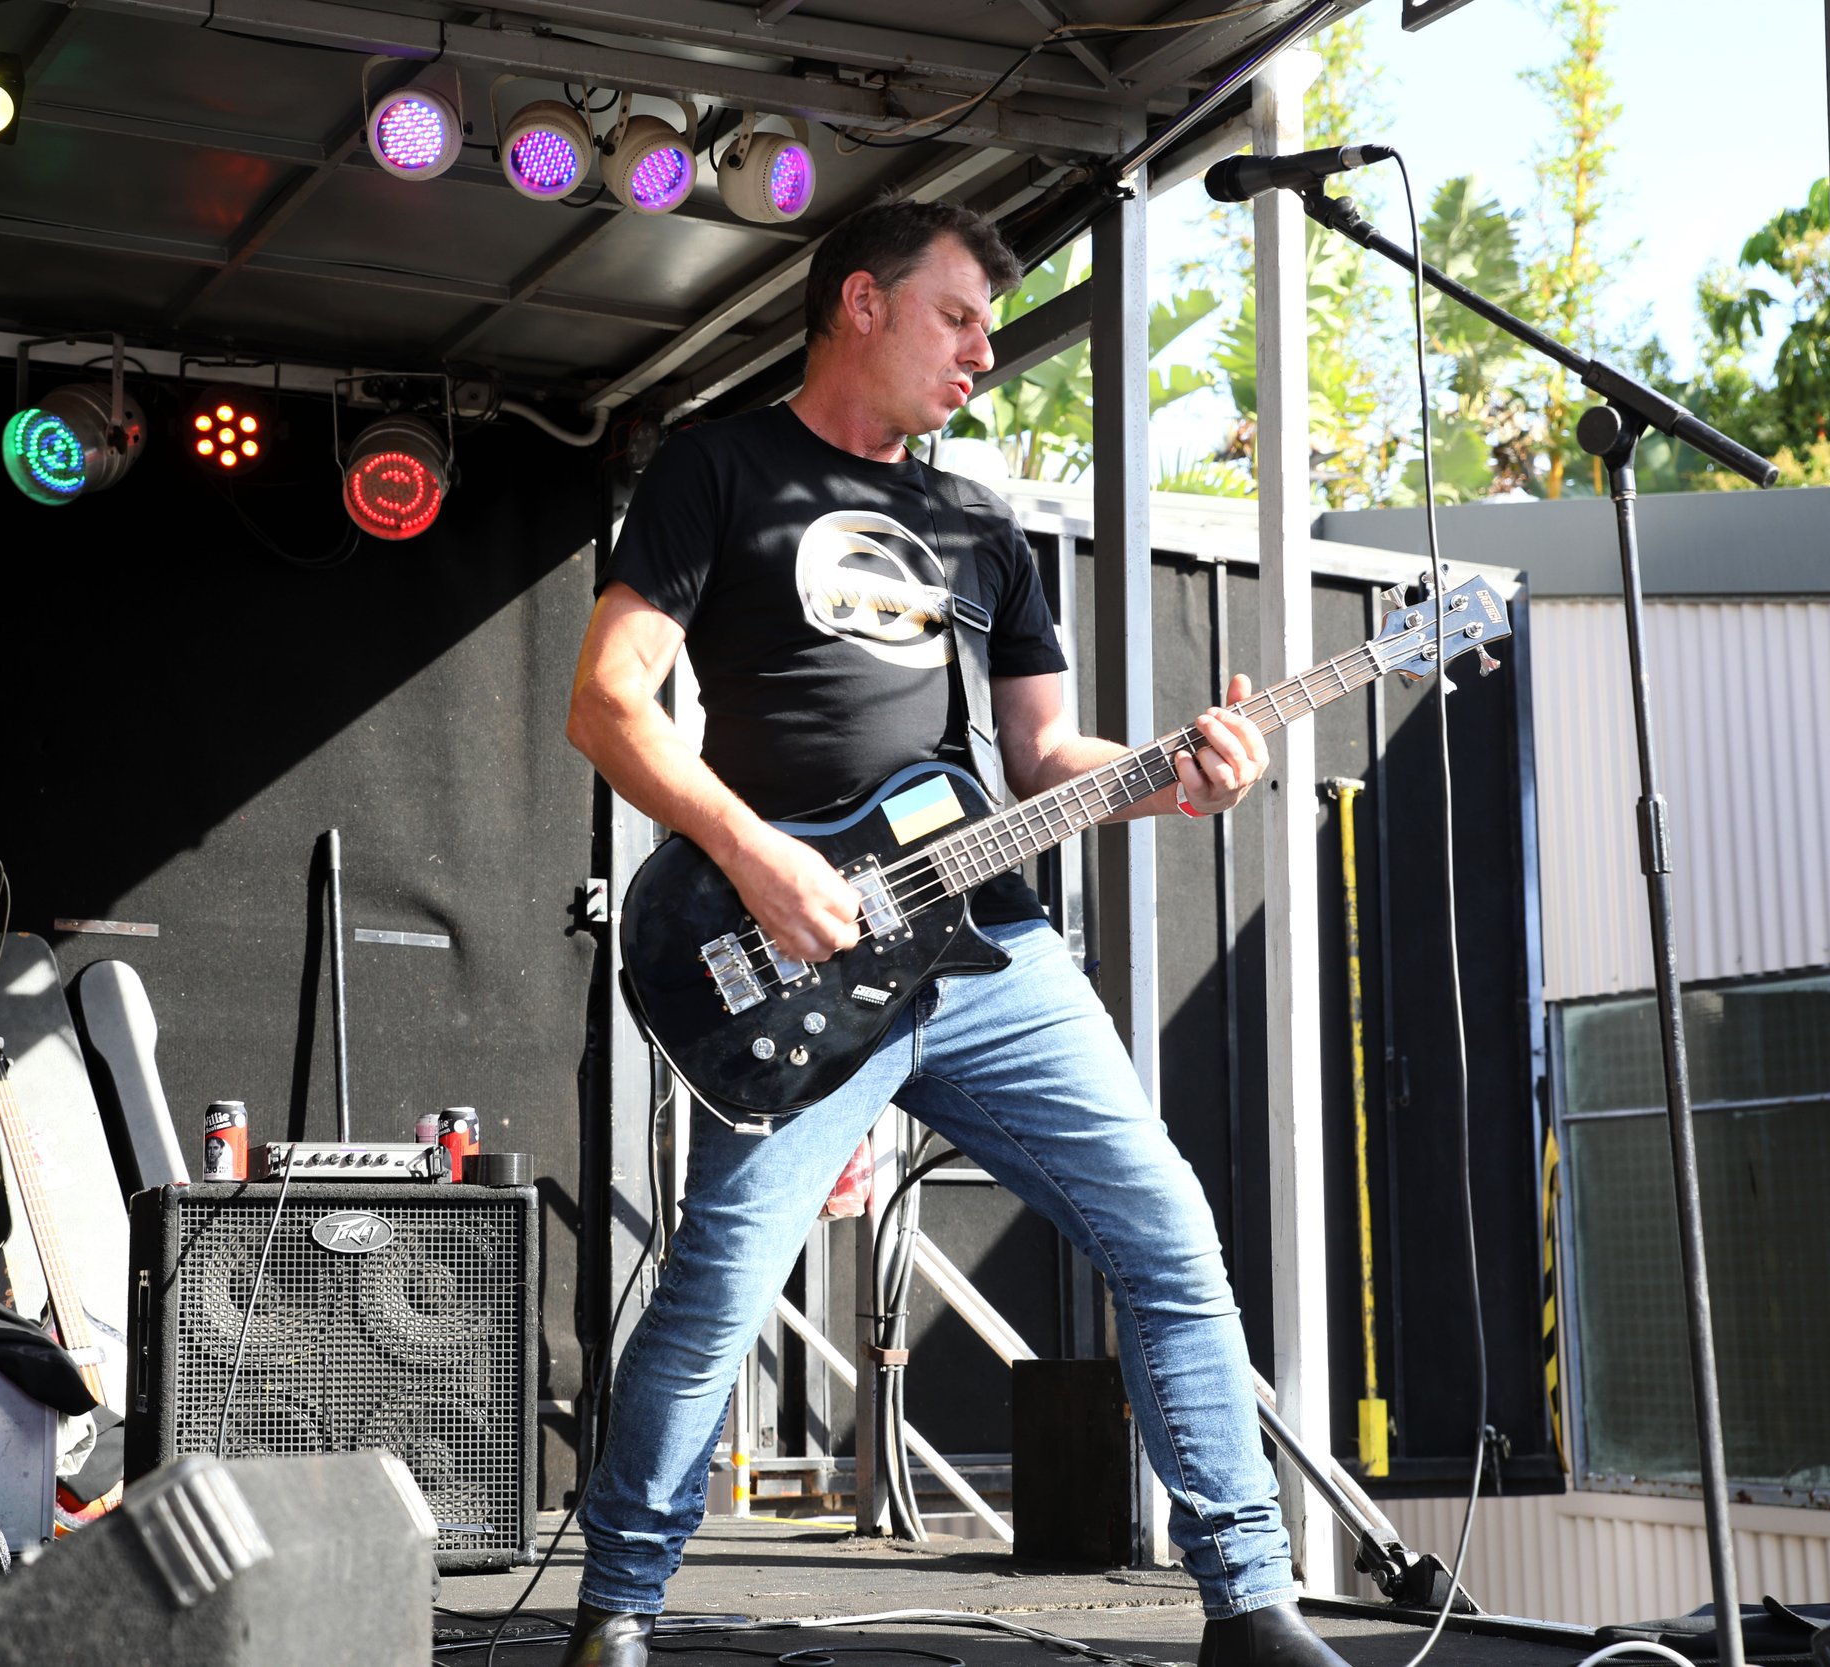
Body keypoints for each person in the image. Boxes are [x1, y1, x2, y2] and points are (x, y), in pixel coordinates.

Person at [563, 195, 1349, 1667]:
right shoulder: (718, 469)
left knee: (1170, 1239)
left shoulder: (982, 521)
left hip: (993, 952)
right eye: (959, 317)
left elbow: (1046, 757)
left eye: (993, 326)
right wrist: (754, 857)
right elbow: (605, 703)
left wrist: (1175, 781)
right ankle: (616, 1613)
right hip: (791, 947)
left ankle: (1249, 1603)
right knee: (724, 1283)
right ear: (859, 302)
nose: (985, 351)